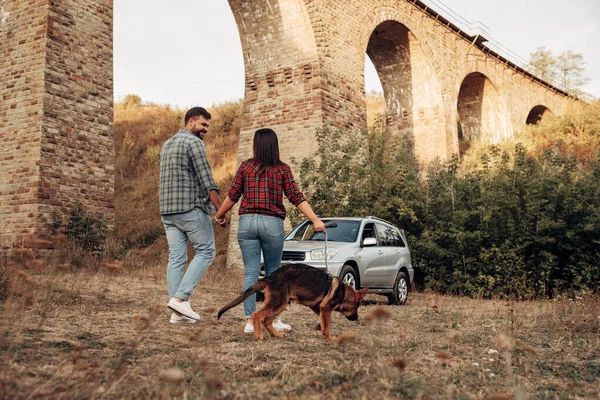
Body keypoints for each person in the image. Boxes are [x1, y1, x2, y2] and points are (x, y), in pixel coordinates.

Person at [214, 128, 325, 334]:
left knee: (251, 272)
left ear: (256, 145)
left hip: (246, 223)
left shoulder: (246, 167)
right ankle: (272, 319)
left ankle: (249, 321)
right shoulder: (282, 169)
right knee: (275, 275)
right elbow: (295, 197)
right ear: (275, 145)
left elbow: (232, 195)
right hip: (271, 223)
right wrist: (315, 219)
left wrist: (220, 214)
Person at [159, 107, 222, 325]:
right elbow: (208, 180)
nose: (206, 129)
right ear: (192, 121)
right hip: (189, 208)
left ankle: (178, 314)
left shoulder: (167, 144)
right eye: (203, 125)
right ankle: (180, 298)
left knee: (176, 258)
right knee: (206, 250)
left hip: (167, 211)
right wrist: (220, 211)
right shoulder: (194, 143)